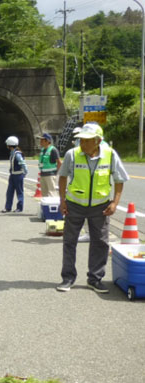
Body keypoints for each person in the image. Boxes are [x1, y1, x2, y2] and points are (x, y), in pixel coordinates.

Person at [56, 123, 129, 293]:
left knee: (101, 243)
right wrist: (62, 200)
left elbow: (119, 180)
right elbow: (63, 177)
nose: (82, 143)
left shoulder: (110, 155)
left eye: (87, 140)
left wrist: (115, 203)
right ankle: (68, 278)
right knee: (69, 242)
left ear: (98, 141)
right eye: (81, 139)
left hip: (100, 207)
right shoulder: (72, 154)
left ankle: (95, 279)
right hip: (74, 205)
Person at [2, 136, 28, 213]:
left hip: (18, 175)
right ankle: (8, 207)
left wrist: (25, 172)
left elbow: (23, 163)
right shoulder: (12, 153)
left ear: (9, 145)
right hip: (12, 175)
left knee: (19, 192)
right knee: (9, 192)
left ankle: (19, 208)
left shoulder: (17, 154)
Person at [37, 133, 62, 197]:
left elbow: (59, 162)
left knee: (52, 193)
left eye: (42, 140)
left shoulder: (53, 150)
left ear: (47, 141)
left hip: (50, 175)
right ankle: (45, 207)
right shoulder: (42, 150)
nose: (40, 142)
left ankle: (54, 206)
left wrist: (56, 173)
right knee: (44, 194)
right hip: (42, 174)